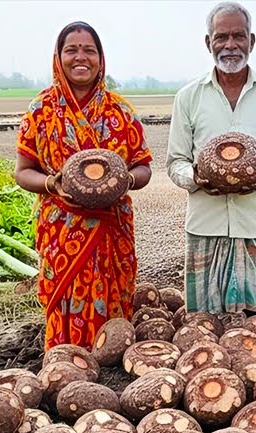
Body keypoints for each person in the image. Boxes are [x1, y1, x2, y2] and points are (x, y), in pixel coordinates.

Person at [15, 21, 153, 350]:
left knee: (112, 298)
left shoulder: (120, 112)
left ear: (101, 59)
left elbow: (144, 167)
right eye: (71, 50)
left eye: (89, 50)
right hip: (61, 228)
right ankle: (66, 363)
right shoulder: (40, 111)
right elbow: (23, 172)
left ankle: (113, 360)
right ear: (58, 57)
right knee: (63, 301)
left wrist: (124, 182)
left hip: (111, 229)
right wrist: (52, 183)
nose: (81, 57)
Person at [167, 1, 256, 315]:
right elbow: (175, 162)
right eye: (221, 37)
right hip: (205, 227)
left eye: (238, 36)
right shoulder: (188, 97)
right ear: (208, 42)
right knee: (204, 324)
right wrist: (196, 177)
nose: (230, 45)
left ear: (251, 41)